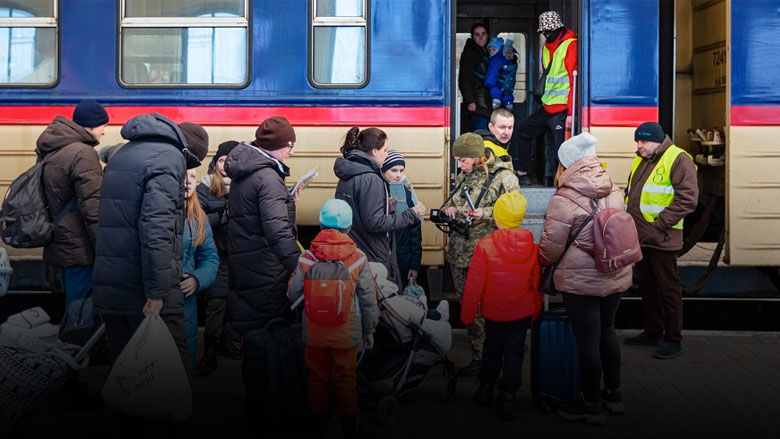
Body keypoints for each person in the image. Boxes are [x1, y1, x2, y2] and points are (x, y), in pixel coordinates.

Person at [93, 114, 207, 374]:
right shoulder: (169, 159)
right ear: (188, 151)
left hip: (114, 285)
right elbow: (156, 229)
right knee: (172, 371)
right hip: (146, 290)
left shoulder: (123, 153)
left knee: (126, 373)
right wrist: (156, 294)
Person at [538, 132, 633, 426]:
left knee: (587, 342)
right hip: (615, 273)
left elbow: (551, 250)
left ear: (566, 164)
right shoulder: (615, 190)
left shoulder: (563, 199)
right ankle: (613, 396)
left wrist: (542, 262)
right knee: (607, 331)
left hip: (581, 282)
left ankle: (590, 405)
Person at [287, 199, 378, 439]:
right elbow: (368, 298)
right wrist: (369, 330)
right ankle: (350, 426)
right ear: (350, 227)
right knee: (346, 380)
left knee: (316, 378)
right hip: (345, 333)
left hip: (314, 333)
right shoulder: (357, 258)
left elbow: (293, 293)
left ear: (320, 226)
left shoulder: (307, 258)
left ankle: (316, 425)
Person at [441, 132, 520, 370]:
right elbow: (450, 202)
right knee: (468, 308)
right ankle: (480, 357)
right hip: (459, 253)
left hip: (487, 256)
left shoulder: (504, 178)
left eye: (462, 160)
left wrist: (483, 213)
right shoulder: (467, 175)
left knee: (486, 309)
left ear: (477, 157)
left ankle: (486, 359)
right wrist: (449, 210)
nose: (458, 164)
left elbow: (515, 212)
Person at [461, 191, 541, 422]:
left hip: (495, 313)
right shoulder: (532, 246)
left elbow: (474, 283)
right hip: (522, 313)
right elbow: (535, 283)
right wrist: (535, 310)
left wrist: (466, 314)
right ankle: (508, 397)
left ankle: (485, 390)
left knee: (492, 350)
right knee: (515, 352)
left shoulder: (485, 245)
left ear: (497, 218)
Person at [223, 117, 302, 342]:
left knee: (249, 325)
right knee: (268, 334)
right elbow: (277, 231)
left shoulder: (247, 171)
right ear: (279, 145)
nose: (291, 152)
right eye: (290, 146)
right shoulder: (268, 177)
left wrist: (288, 200)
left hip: (247, 260)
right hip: (266, 267)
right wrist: (300, 267)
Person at [623, 122, 698, 360]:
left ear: (657, 141)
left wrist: (659, 225)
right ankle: (653, 331)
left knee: (668, 289)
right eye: (637, 141)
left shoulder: (678, 159)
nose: (639, 146)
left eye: (643, 141)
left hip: (662, 237)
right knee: (648, 286)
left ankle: (673, 339)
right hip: (642, 237)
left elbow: (688, 199)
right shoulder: (643, 158)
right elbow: (633, 193)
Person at [334, 127, 426, 289]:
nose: (386, 154)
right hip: (372, 256)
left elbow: (358, 214)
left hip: (355, 250)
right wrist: (411, 214)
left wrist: (386, 208)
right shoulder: (371, 179)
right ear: (375, 151)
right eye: (385, 150)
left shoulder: (349, 174)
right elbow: (374, 223)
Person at [37, 99, 108, 310]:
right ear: (93, 125)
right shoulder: (83, 154)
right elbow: (93, 209)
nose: (104, 132)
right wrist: (104, 250)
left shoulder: (54, 148)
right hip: (79, 250)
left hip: (58, 242)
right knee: (81, 318)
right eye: (104, 125)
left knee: (72, 312)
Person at [515, 10, 578, 186]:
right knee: (523, 130)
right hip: (547, 107)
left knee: (561, 151)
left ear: (559, 29)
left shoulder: (570, 45)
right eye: (544, 32)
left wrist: (571, 114)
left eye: (549, 31)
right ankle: (523, 172)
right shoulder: (546, 48)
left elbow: (574, 81)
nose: (546, 34)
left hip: (563, 109)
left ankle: (563, 185)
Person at [195, 140, 241, 374]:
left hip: (240, 255)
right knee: (216, 302)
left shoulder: (244, 186)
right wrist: (224, 214)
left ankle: (227, 343)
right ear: (215, 163)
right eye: (222, 160)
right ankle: (209, 352)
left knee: (235, 302)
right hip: (217, 256)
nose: (225, 165)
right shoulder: (203, 188)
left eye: (230, 160)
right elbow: (200, 224)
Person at [181, 166, 219, 373]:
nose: (189, 182)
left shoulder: (198, 216)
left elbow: (210, 258)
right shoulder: (155, 211)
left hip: (186, 304)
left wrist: (197, 279)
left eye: (193, 177)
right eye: (183, 176)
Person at [381, 150, 422, 285]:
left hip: (402, 261)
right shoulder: (377, 192)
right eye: (394, 170)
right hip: (381, 259)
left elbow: (415, 234)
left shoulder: (408, 196)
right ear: (383, 170)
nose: (398, 175)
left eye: (401, 170)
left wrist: (414, 265)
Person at [458, 22, 492, 131]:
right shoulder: (469, 53)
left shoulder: (488, 51)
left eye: (483, 34)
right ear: (472, 37)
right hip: (478, 103)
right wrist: (470, 101)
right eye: (477, 35)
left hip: (489, 101)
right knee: (482, 134)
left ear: (487, 35)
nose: (481, 37)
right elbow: (464, 79)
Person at [485, 37, 518, 111]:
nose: (492, 52)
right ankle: (508, 103)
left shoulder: (495, 60)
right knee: (507, 94)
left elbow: (492, 74)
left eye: (494, 49)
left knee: (495, 90)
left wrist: (488, 83)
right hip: (508, 84)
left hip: (498, 83)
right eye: (490, 50)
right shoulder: (509, 59)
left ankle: (497, 100)